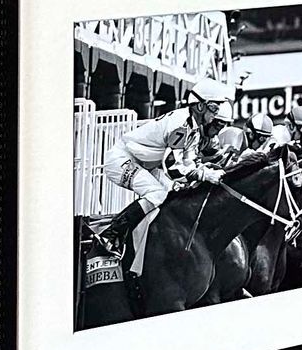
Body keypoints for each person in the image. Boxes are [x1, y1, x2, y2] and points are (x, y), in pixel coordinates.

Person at [91, 77, 240, 259]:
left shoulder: (192, 128)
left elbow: (188, 163)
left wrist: (203, 171)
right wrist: (204, 175)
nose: (214, 116)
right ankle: (109, 235)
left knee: (171, 197)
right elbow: (173, 168)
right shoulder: (181, 124)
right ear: (200, 106)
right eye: (214, 109)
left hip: (144, 163)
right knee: (158, 195)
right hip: (123, 159)